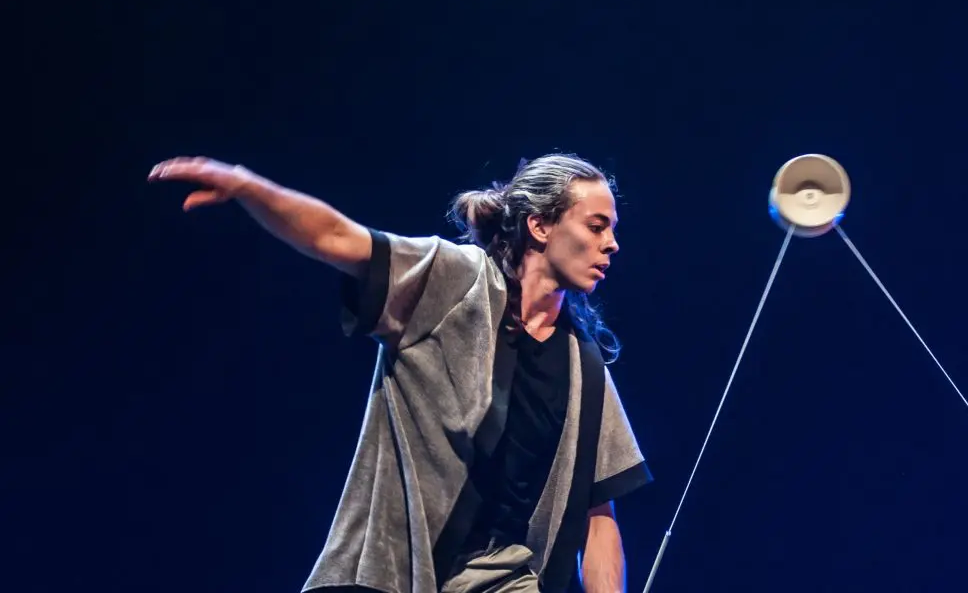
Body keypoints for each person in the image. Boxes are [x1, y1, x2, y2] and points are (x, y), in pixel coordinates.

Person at [147, 153, 652, 593]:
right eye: (596, 225)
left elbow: (598, 516)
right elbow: (336, 236)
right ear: (540, 227)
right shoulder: (456, 281)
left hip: (501, 581)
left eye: (613, 229)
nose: (613, 244)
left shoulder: (584, 368)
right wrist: (247, 186)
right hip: (393, 568)